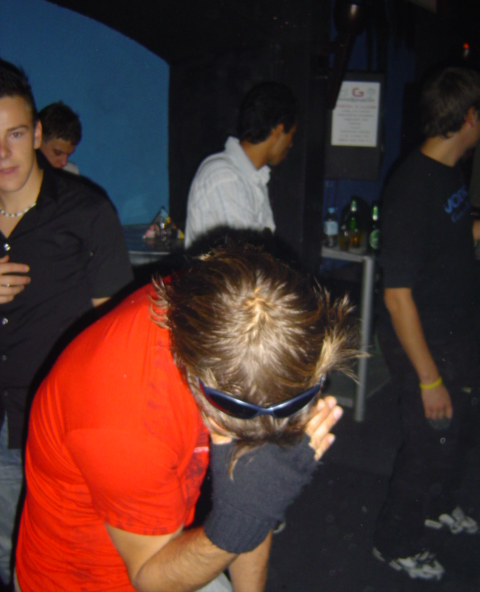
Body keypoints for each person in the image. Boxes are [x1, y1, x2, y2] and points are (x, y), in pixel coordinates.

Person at [15, 245, 358, 592]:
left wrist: (257, 506)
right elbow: (149, 579)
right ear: (199, 379)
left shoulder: (224, 315)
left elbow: (254, 493)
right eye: (238, 415)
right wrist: (238, 525)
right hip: (91, 578)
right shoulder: (125, 422)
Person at [0, 59, 133, 586]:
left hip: (46, 421)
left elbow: (115, 333)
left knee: (34, 558)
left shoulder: (86, 212)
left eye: (14, 134)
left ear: (36, 134)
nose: (2, 153)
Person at [373, 66, 480, 581]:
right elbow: (397, 299)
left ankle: (437, 506)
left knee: (456, 433)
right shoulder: (411, 189)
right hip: (423, 342)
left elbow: (453, 233)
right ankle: (394, 543)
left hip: (455, 332)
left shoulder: (450, 171)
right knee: (428, 441)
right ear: (469, 117)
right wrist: (429, 378)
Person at [185, 82, 297, 249]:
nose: (291, 144)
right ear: (278, 130)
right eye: (291, 135)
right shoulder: (224, 177)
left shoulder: (254, 177)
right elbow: (244, 257)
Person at [38, 100, 82, 173]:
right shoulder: (18, 171)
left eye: (68, 155)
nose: (64, 162)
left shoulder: (70, 173)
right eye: (58, 153)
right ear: (37, 139)